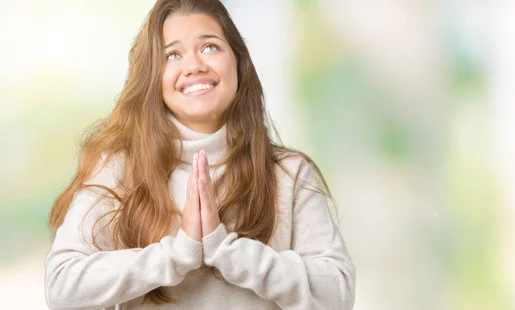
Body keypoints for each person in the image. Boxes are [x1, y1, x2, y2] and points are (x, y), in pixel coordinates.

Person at [44, 0, 355, 309]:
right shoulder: (121, 168)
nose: (194, 65)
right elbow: (62, 286)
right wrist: (179, 253)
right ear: (154, 76)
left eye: (209, 47)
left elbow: (337, 295)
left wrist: (226, 249)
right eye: (173, 55)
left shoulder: (289, 174)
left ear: (238, 61)